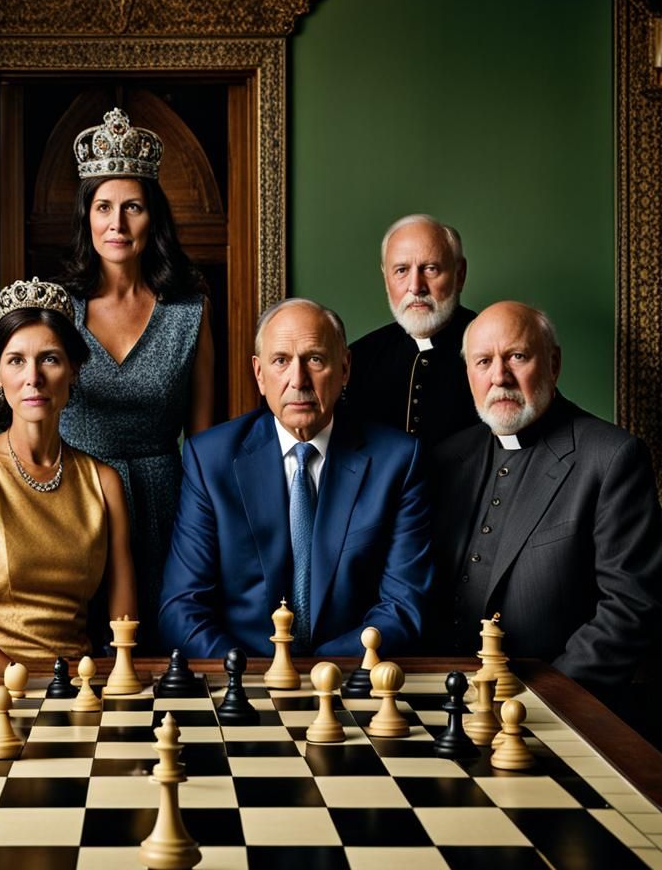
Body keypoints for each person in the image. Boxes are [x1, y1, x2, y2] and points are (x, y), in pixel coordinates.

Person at [159, 298, 432, 659]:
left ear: (345, 368)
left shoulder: (397, 461)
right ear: (259, 374)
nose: (298, 380)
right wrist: (250, 675)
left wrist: (320, 674)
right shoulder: (211, 460)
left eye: (315, 359)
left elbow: (403, 607)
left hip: (350, 681)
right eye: (281, 361)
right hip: (241, 679)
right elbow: (180, 608)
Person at [429, 300, 662, 703]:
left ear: (553, 363)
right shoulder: (446, 459)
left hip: (553, 705)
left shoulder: (610, 458)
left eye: (517, 356)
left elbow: (629, 608)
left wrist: (544, 699)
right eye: (483, 362)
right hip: (441, 695)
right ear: (468, 374)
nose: (499, 377)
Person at [58, 107, 213, 647]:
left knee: (153, 651)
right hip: (71, 496)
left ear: (154, 218)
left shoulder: (188, 308)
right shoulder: (58, 308)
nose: (116, 224)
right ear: (86, 217)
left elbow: (202, 437)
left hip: (162, 498)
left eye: (132, 208)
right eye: (103, 207)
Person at [0, 278, 137, 673]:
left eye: (50, 359)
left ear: (73, 370)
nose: (33, 378)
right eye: (16, 360)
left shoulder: (104, 482)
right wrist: (28, 687)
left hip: (83, 689)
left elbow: (122, 628)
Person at [347, 213, 479, 445]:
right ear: (386, 278)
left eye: (430, 269)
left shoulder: (495, 348)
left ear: (460, 275)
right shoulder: (359, 358)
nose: (416, 287)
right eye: (401, 270)